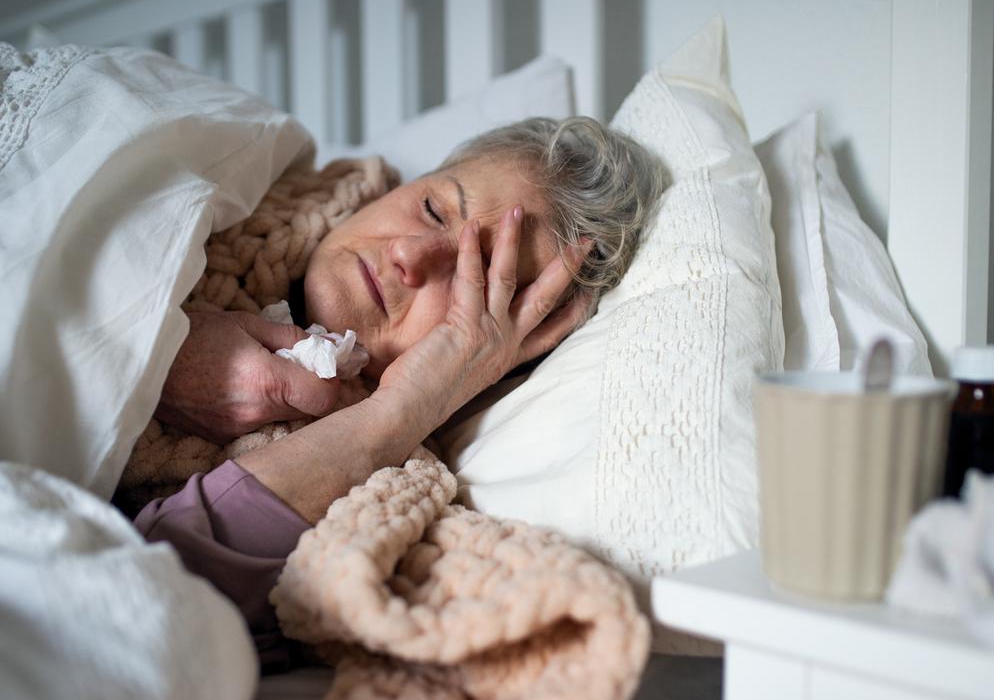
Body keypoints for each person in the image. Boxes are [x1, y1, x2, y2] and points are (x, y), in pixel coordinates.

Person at [133, 117, 666, 668]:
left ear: (496, 360)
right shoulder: (212, 195)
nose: (410, 256)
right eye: (434, 209)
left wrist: (395, 416)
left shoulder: (387, 517)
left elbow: (146, 598)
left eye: (473, 278)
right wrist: (149, 349)